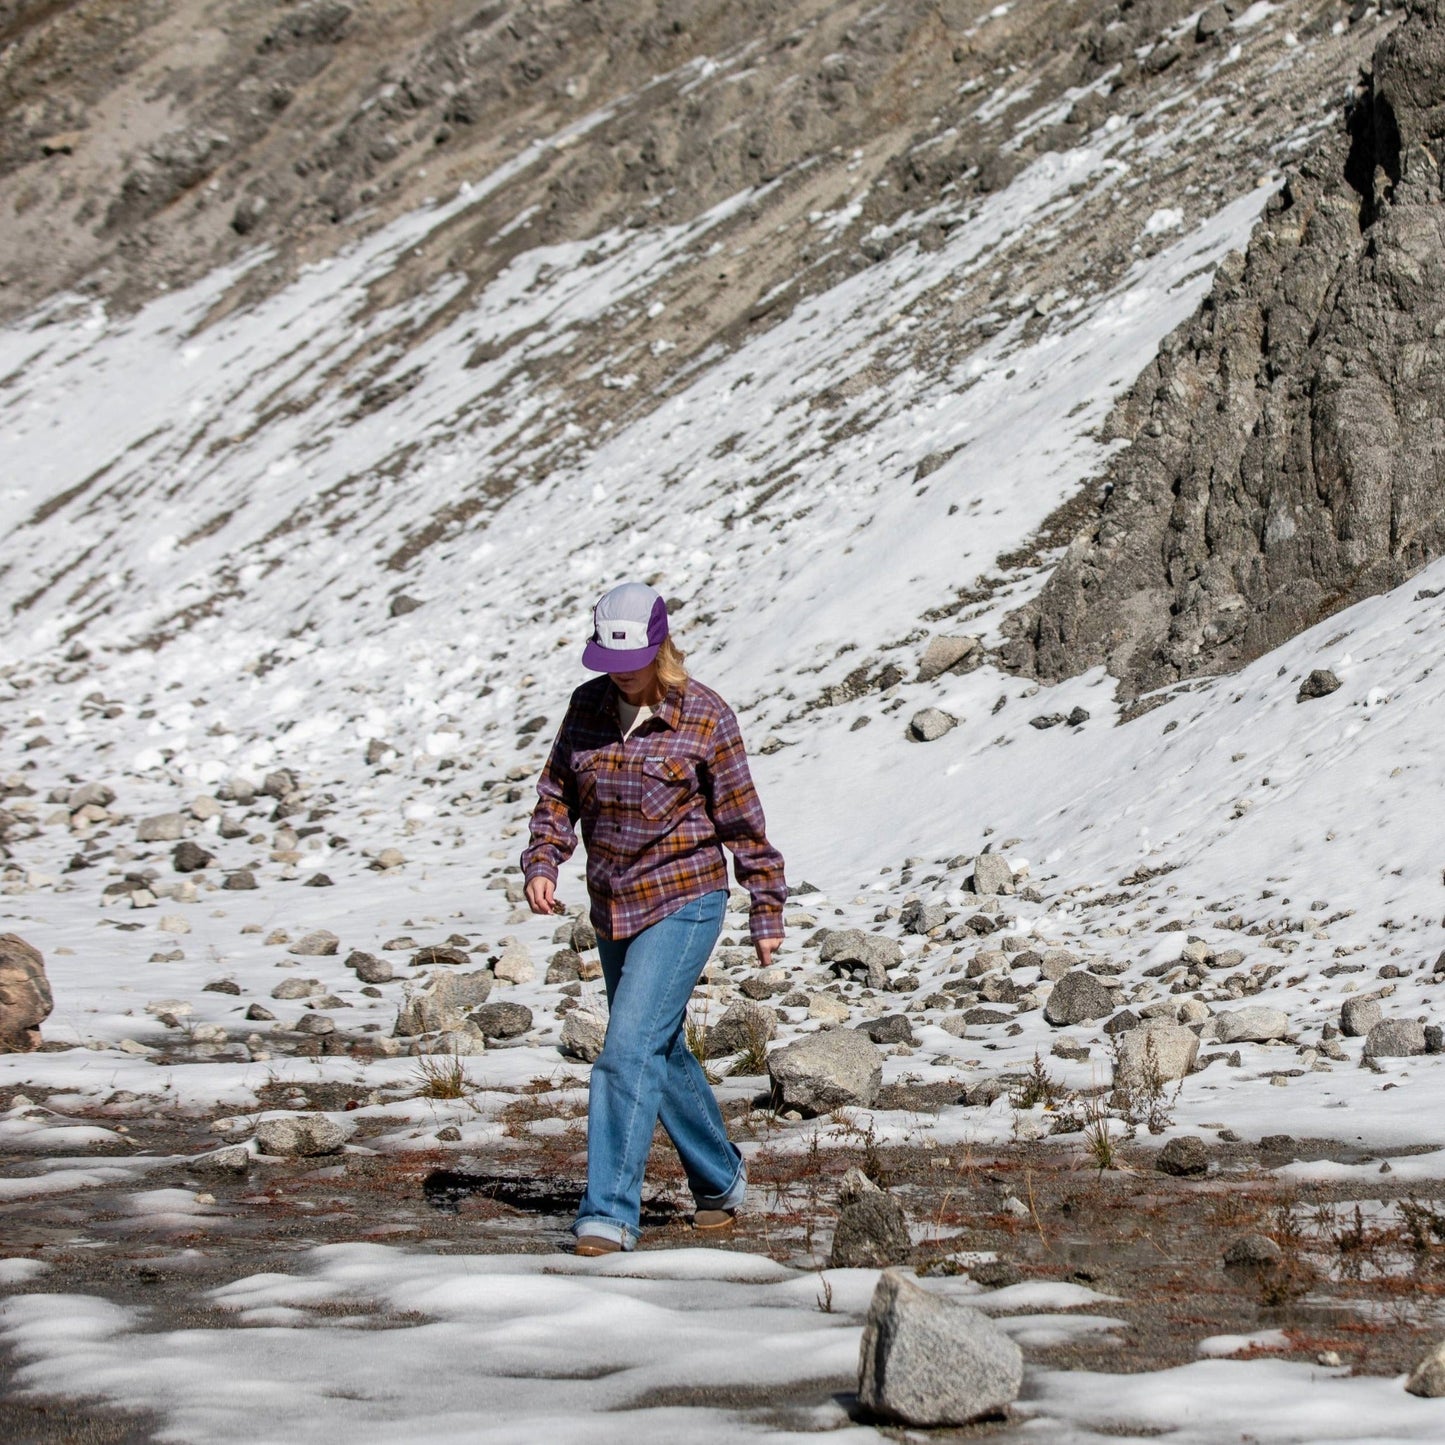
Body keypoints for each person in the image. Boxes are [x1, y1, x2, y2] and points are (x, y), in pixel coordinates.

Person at [522, 581, 786, 1256]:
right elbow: (557, 794)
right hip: (614, 901)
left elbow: (742, 820)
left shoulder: (703, 716)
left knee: (627, 1047)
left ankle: (608, 1211)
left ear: (661, 644)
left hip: (686, 898)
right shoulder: (585, 707)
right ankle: (721, 1177)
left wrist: (765, 905)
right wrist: (543, 861)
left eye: (634, 656)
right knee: (656, 1047)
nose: (622, 671)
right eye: (611, 659)